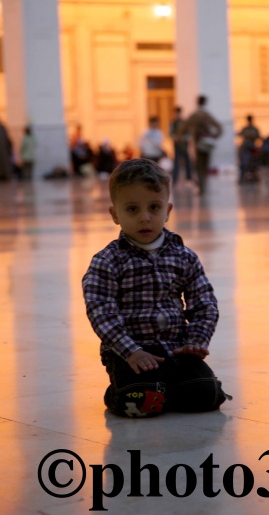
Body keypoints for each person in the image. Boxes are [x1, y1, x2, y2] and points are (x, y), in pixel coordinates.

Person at [82, 158, 230, 418]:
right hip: (130, 352)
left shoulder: (184, 257)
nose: (145, 218)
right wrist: (131, 351)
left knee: (206, 394)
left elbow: (204, 303)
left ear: (168, 210)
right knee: (140, 401)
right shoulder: (107, 261)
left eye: (153, 207)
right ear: (115, 214)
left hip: (177, 349)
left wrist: (196, 341)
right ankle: (119, 391)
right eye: (132, 209)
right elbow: (101, 311)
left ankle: (165, 388)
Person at [177, 95, 222, 195]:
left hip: (198, 143)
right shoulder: (207, 115)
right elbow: (219, 127)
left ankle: (202, 187)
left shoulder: (194, 115)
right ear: (205, 102)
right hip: (208, 144)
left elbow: (183, 128)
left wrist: (180, 138)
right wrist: (214, 136)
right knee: (205, 165)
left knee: (199, 166)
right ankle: (204, 186)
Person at [169, 106, 192, 185]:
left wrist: (184, 138)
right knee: (176, 162)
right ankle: (175, 179)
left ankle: (189, 178)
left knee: (187, 162)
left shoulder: (185, 122)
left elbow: (189, 133)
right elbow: (171, 134)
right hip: (177, 145)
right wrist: (176, 138)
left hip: (184, 145)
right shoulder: (173, 123)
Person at [237, 115, 261, 184]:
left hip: (251, 147)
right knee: (244, 163)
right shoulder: (246, 128)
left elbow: (258, 137)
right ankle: (242, 177)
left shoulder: (254, 129)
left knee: (252, 163)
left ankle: (253, 177)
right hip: (246, 147)